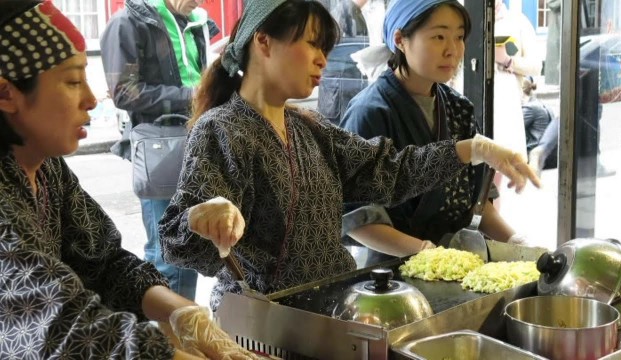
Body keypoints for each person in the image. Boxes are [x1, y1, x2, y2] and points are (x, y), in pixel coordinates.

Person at [159, 0, 541, 311]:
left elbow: (389, 170)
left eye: (324, 49)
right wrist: (200, 216)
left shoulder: (309, 128)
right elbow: (178, 243)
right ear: (263, 41)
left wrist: (470, 149)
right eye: (311, 44)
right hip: (265, 324)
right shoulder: (221, 129)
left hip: (329, 311)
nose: (322, 60)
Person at [0, 1, 256, 359]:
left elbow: (105, 261)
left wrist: (183, 312)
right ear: (6, 93)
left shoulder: (48, 170)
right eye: (73, 81)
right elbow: (61, 331)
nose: (91, 99)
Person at [338, 0, 530, 261]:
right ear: (400, 40)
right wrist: (425, 254)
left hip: (458, 267)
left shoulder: (459, 108)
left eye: (459, 37)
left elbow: (478, 201)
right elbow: (357, 217)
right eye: (439, 36)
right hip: (392, 274)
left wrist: (517, 243)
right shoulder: (370, 112)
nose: (452, 50)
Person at [100, 0, 219, 300]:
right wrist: (193, 94)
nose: (202, 1)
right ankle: (167, 340)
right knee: (167, 251)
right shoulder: (128, 22)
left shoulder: (194, 22)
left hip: (196, 139)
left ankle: (181, 334)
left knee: (190, 242)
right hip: (159, 146)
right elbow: (124, 91)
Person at [492, 0, 542, 209]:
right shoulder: (465, 18)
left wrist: (508, 61)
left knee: (495, 172)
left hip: (504, 104)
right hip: (469, 98)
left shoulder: (517, 22)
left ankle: (489, 230)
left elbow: (536, 65)